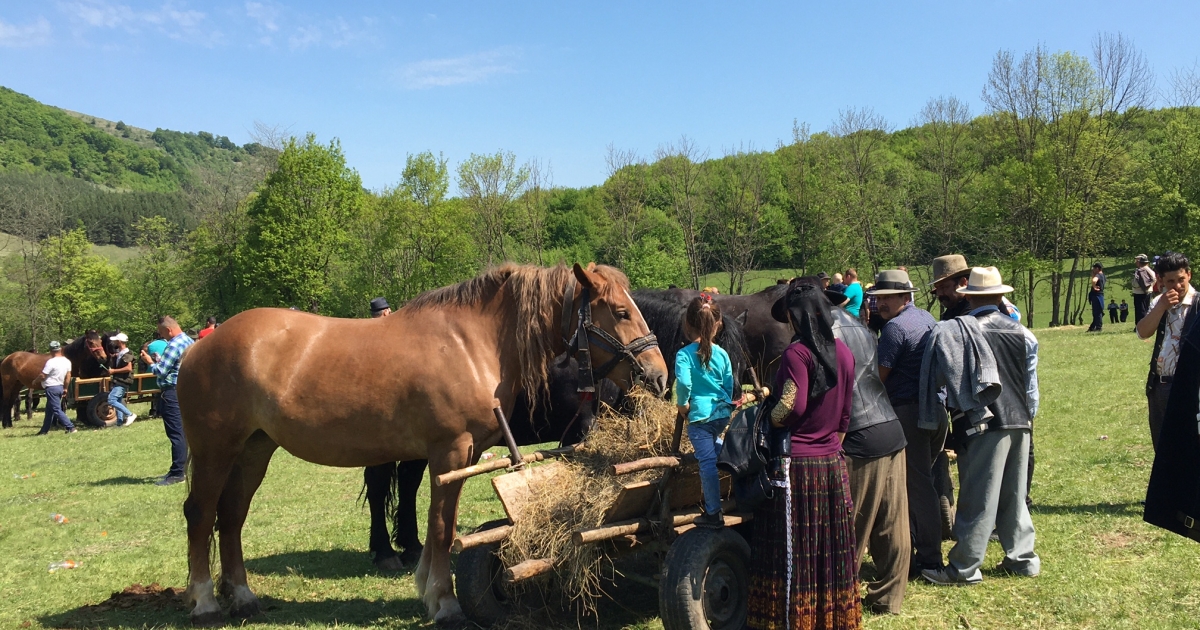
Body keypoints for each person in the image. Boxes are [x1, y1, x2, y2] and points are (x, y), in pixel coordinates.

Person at [751, 283, 861, 629]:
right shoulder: (843, 352)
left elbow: (792, 406)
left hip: (797, 466)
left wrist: (766, 415)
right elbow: (844, 414)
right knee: (827, 550)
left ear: (797, 317)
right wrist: (828, 442)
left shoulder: (797, 354)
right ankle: (830, 618)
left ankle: (792, 620)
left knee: (793, 550)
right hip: (831, 462)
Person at [922, 267, 1040, 585]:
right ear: (1001, 295)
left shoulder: (959, 331)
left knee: (977, 495)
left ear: (969, 297)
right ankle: (1022, 558)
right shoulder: (1024, 333)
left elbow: (945, 381)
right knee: (1014, 495)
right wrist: (1028, 419)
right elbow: (1031, 388)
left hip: (983, 422)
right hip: (1021, 421)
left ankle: (963, 568)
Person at [822, 281, 910, 614]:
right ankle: (888, 599)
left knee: (849, 523)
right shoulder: (860, 326)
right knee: (892, 521)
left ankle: (839, 603)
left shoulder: (824, 335)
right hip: (890, 427)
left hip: (859, 435)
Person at [869, 269, 945, 576]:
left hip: (909, 412)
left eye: (886, 298)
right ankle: (921, 546)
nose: (879, 304)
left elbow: (878, 378)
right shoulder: (926, 317)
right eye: (877, 299)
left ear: (904, 296)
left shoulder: (894, 329)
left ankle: (929, 558)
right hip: (935, 410)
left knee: (916, 485)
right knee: (927, 479)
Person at [675, 294, 734, 529]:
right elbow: (729, 383)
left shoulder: (684, 354)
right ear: (717, 324)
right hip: (721, 414)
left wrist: (682, 404)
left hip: (700, 417)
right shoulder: (722, 354)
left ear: (687, 324)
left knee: (706, 461)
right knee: (717, 448)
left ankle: (713, 512)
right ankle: (737, 465)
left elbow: (684, 384)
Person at [1135, 252, 1196, 452]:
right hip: (1160, 385)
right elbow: (1143, 332)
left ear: (1189, 275)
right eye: (1171, 281)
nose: (1177, 286)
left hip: (1189, 387)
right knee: (1164, 450)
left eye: (1181, 279)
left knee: (1189, 450)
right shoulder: (1158, 304)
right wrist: (1161, 306)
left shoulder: (1197, 304)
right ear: (1160, 280)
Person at [140, 316, 194, 486]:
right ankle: (183, 468)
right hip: (186, 389)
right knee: (185, 430)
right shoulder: (189, 341)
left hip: (171, 391)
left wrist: (150, 362)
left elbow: (162, 371)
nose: (162, 336)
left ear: (169, 330)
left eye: (162, 333)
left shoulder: (173, 344)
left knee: (175, 432)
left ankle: (177, 472)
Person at [34, 341, 76, 435]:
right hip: (60, 387)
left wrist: (35, 381)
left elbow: (43, 376)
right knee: (49, 410)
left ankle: (70, 427)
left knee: (56, 409)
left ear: (51, 351)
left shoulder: (51, 362)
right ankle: (44, 430)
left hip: (51, 388)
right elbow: (68, 376)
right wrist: (65, 388)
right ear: (60, 349)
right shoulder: (67, 361)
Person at [104, 332, 137, 427]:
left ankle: (130, 415)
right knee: (118, 401)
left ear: (119, 341)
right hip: (119, 380)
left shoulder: (127, 353)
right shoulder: (121, 353)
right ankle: (119, 422)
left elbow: (128, 368)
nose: (113, 342)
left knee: (111, 399)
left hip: (123, 381)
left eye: (115, 341)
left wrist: (113, 371)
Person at [930, 255, 972, 320]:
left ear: (963, 282)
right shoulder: (951, 311)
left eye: (943, 287)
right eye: (937, 288)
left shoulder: (973, 313)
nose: (939, 293)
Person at [144, 333, 168, 418]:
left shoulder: (150, 345)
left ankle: (153, 410)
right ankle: (160, 410)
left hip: (150, 373)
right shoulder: (167, 344)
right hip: (162, 373)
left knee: (154, 392)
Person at [1133, 254, 1157, 324]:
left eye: (1138, 260)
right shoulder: (1147, 270)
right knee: (1143, 309)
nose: (1136, 262)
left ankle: (1141, 325)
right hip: (1144, 292)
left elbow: (1153, 279)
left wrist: (1146, 286)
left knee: (1141, 310)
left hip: (1141, 292)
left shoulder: (1143, 270)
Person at [1088, 262, 1106, 332]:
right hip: (1100, 295)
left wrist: (1094, 286)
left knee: (1097, 312)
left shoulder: (1098, 275)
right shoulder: (1103, 275)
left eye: (1094, 268)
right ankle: (1092, 327)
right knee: (1097, 312)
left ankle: (1098, 327)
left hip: (1096, 295)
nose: (1093, 270)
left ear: (1097, 268)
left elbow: (1094, 280)